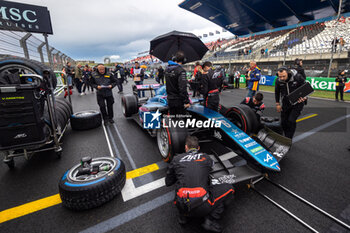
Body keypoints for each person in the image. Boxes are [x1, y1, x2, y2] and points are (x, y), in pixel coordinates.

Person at [166, 136, 235, 233]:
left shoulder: (176, 159)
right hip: (203, 206)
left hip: (182, 204)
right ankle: (210, 220)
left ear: (186, 147)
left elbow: (168, 182)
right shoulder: (205, 157)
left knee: (180, 184)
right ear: (198, 148)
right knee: (230, 188)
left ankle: (183, 216)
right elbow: (211, 166)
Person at [275, 67, 307, 139]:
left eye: (284, 76)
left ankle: (288, 139)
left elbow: (306, 88)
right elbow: (277, 92)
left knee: (291, 121)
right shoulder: (278, 80)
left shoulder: (297, 77)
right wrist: (277, 104)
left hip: (297, 103)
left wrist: (304, 98)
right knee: (283, 122)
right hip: (285, 103)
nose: (282, 78)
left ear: (288, 73)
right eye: (280, 76)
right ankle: (286, 136)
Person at [165, 51, 190, 116]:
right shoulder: (181, 70)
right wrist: (186, 101)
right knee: (180, 121)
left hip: (170, 99)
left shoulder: (167, 69)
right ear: (183, 60)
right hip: (178, 100)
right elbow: (182, 88)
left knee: (173, 120)